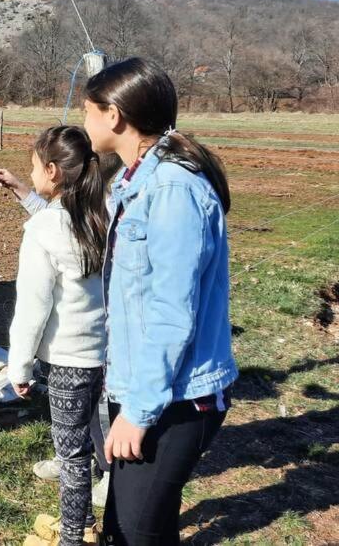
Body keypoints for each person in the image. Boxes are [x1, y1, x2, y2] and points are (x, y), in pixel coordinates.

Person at [83, 57, 237, 545]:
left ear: (113, 116)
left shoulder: (172, 190)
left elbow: (172, 315)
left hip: (176, 400)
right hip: (152, 390)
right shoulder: (134, 181)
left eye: (88, 109)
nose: (81, 120)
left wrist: (139, 411)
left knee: (134, 532)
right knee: (136, 524)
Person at [0, 126, 108, 546]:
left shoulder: (44, 232)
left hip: (67, 364)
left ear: (53, 171)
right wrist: (25, 192)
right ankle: (98, 525)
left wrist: (19, 365)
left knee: (73, 457)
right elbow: (56, 219)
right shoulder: (103, 214)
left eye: (35, 167)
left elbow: (32, 308)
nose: (32, 172)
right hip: (108, 356)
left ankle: (73, 537)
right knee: (102, 444)